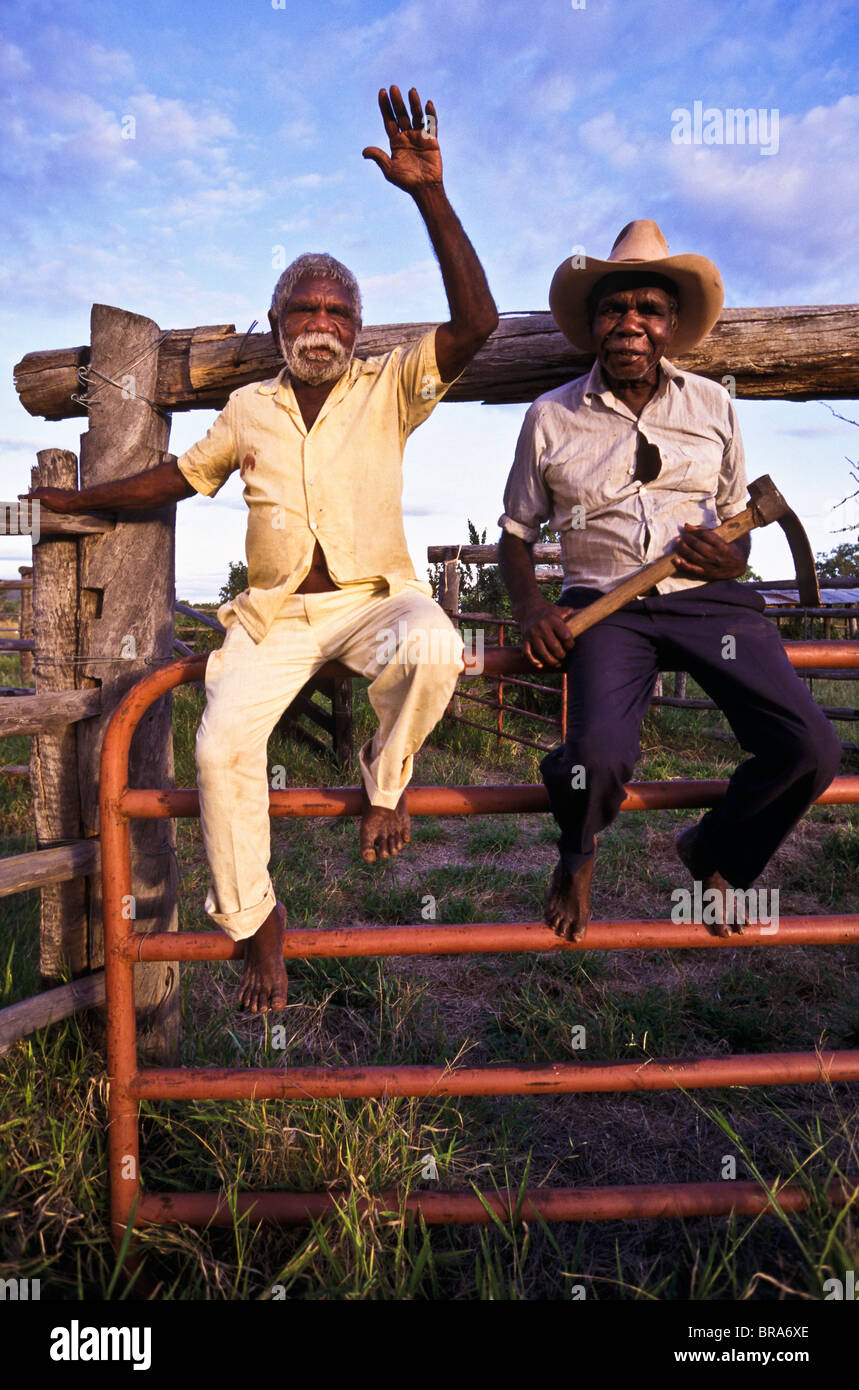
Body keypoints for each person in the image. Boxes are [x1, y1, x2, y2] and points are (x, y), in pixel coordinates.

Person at [30, 85, 498, 1012]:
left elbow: (478, 326)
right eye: (302, 308)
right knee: (217, 753)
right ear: (278, 322)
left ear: (356, 329)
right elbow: (175, 478)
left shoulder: (390, 386)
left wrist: (429, 196)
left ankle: (384, 776)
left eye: (335, 310)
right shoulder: (248, 408)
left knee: (439, 642)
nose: (319, 322)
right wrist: (80, 497)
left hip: (374, 598)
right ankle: (256, 925)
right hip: (275, 615)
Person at [498, 219, 841, 943]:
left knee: (809, 748)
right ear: (592, 324)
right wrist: (530, 607)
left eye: (647, 310)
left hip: (704, 602)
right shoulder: (549, 416)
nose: (630, 323)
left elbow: (732, 525)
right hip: (602, 607)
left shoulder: (713, 404)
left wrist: (729, 561)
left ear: (670, 325)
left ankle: (714, 853)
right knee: (597, 758)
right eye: (613, 309)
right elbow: (516, 535)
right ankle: (577, 852)